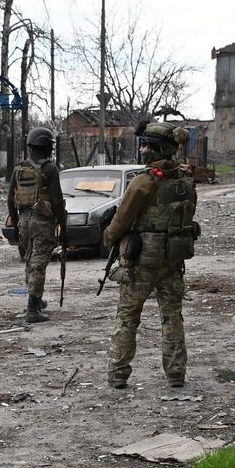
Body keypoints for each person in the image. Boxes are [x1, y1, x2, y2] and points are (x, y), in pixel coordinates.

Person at [102, 122, 199, 389]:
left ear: (156, 150)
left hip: (141, 262)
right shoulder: (185, 179)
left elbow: (121, 221)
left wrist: (109, 235)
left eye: (146, 145)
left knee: (127, 318)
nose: (142, 150)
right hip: (172, 259)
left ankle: (118, 373)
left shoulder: (143, 181)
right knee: (172, 317)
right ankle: (176, 373)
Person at [6, 127, 67, 323]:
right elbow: (57, 201)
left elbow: (10, 200)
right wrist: (63, 225)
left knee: (30, 260)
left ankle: (36, 300)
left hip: (24, 221)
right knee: (39, 264)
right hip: (43, 222)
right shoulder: (50, 170)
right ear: (48, 147)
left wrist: (16, 223)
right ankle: (32, 310)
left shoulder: (18, 169)